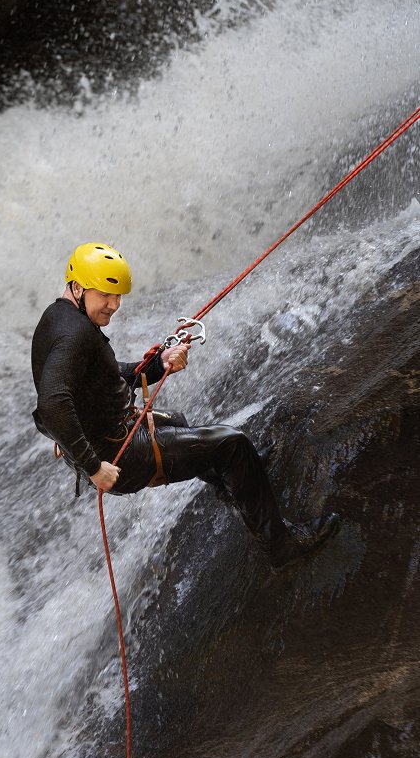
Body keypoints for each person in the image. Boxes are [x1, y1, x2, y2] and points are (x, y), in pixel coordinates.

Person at [31, 242, 340, 571]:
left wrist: (158, 364)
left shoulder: (58, 317)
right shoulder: (74, 335)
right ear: (77, 287)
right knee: (234, 444)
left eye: (118, 295)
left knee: (178, 422)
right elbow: (51, 407)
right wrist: (95, 467)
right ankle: (282, 547)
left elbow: (104, 376)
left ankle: (234, 481)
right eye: (105, 295)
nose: (114, 305)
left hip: (103, 441)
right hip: (119, 457)